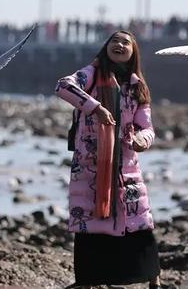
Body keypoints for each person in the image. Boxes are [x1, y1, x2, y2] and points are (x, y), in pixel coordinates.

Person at [55, 30, 161, 288]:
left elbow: (147, 127)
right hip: (90, 168)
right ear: (106, 47)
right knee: (90, 226)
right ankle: (88, 281)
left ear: (133, 52)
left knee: (139, 223)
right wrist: (96, 107)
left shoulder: (138, 87)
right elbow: (63, 86)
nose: (120, 45)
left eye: (126, 42)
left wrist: (141, 141)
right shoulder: (90, 75)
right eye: (115, 40)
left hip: (126, 168)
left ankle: (154, 279)